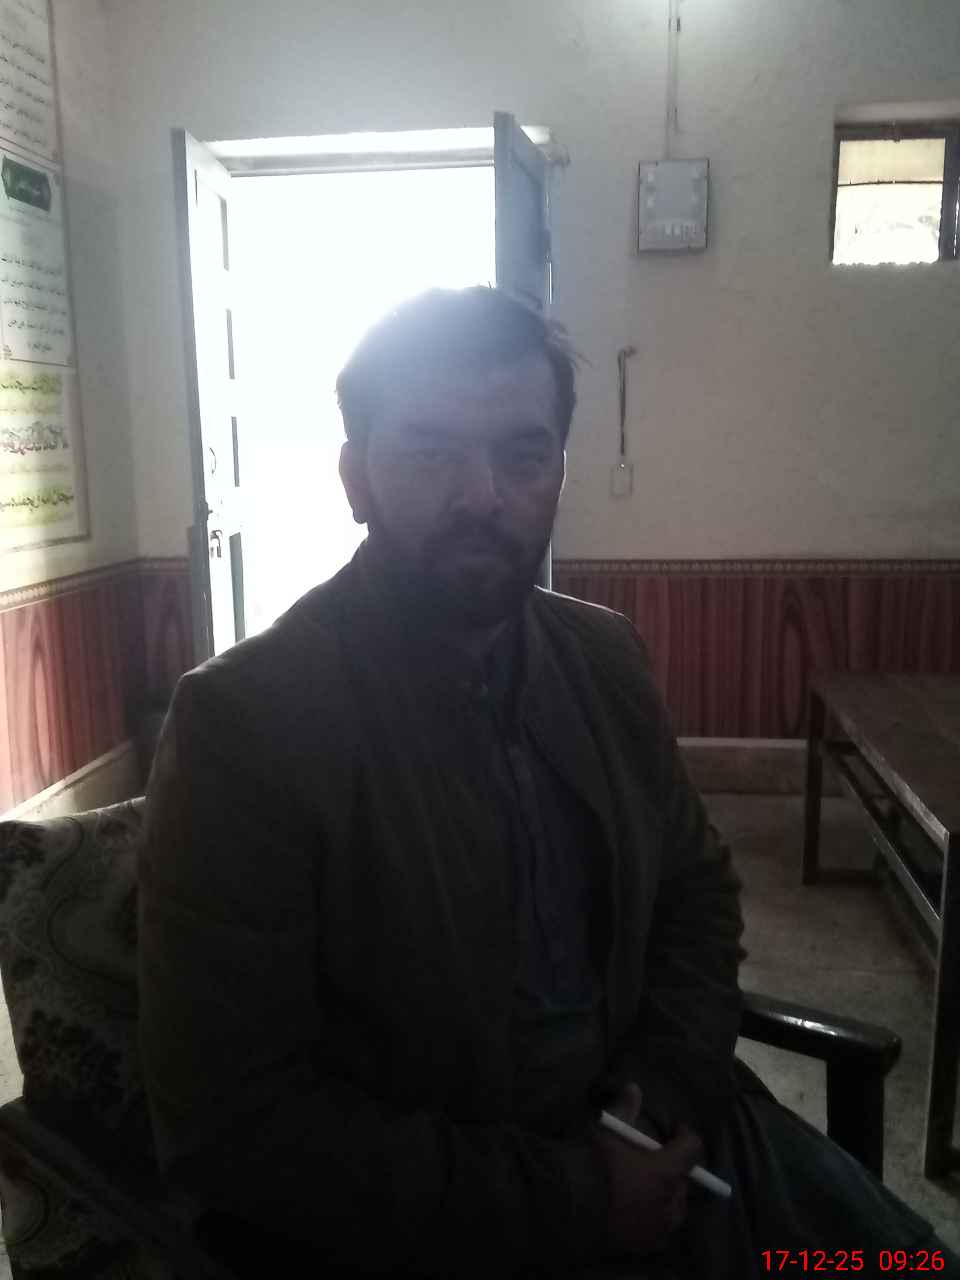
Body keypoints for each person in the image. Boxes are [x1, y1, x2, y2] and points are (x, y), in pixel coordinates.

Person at [138, 287, 958, 1279]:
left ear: (559, 471)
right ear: (356, 479)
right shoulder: (247, 725)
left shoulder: (604, 658)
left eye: (522, 455)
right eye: (430, 453)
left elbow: (695, 896)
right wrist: (581, 1197)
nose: (482, 495)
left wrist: (658, 1097)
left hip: (673, 1142)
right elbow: (231, 1123)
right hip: (442, 1231)